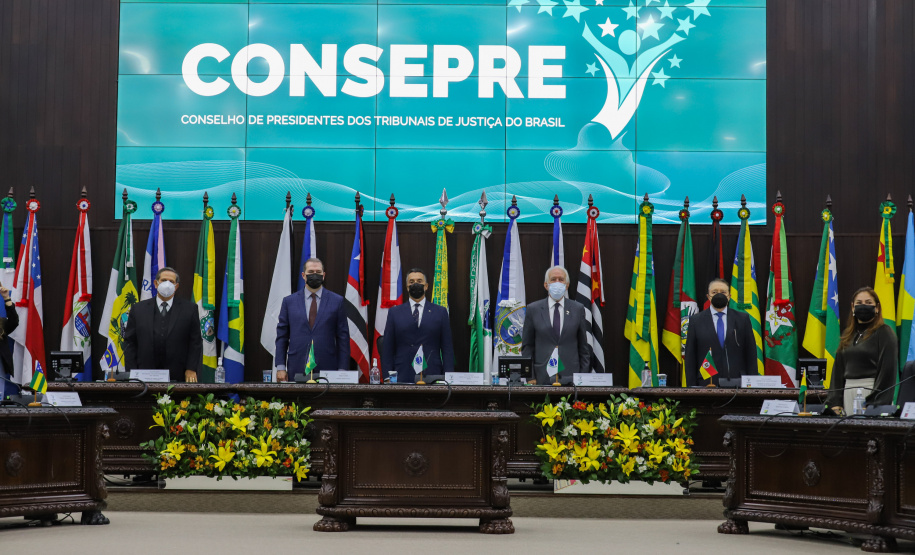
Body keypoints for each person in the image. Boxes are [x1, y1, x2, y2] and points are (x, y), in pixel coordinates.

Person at [275, 258, 350, 381]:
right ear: (303, 275)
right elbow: (282, 336)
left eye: (318, 272)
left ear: (324, 275)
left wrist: (342, 370)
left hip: (328, 368)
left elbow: (343, 337)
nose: (314, 275)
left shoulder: (337, 301)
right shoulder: (289, 302)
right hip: (297, 366)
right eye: (311, 272)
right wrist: (281, 367)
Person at [123, 267, 202, 382]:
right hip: (143, 376)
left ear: (176, 286)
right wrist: (132, 372)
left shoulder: (190, 309)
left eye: (171, 282)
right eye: (164, 280)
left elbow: (195, 342)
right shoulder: (138, 309)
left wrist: (191, 368)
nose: (167, 284)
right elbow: (130, 342)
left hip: (178, 376)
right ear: (156, 283)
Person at [826, 287, 898, 413]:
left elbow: (887, 372)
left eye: (868, 303)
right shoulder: (848, 334)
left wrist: (874, 403)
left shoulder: (884, 333)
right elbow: (838, 371)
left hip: (871, 393)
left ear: (877, 308)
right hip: (847, 394)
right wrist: (835, 402)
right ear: (853, 307)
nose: (863, 306)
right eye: (859, 303)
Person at [381, 268, 454, 383]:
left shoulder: (440, 312)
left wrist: (449, 377)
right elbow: (387, 348)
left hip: (432, 374)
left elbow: (447, 348)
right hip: (401, 375)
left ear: (426, 286)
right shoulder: (394, 312)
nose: (415, 284)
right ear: (407, 287)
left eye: (419, 281)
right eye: (411, 282)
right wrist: (387, 377)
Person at [521, 266, 590, 385]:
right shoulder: (533, 309)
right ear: (546, 285)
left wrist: (583, 377)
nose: (557, 282)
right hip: (541, 377)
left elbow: (583, 347)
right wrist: (530, 376)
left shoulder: (578, 309)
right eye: (553, 279)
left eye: (561, 279)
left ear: (567, 285)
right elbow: (527, 347)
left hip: (572, 378)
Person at [684, 278, 757, 386]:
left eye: (723, 292)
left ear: (729, 296)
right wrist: (691, 388)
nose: (719, 295)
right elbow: (690, 357)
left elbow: (751, 355)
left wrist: (753, 386)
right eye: (714, 292)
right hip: (707, 383)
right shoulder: (696, 321)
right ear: (708, 296)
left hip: (738, 384)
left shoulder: (742, 319)